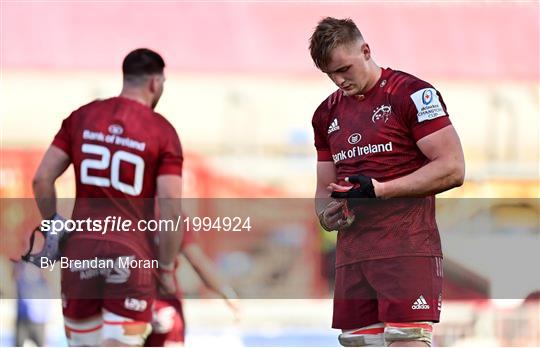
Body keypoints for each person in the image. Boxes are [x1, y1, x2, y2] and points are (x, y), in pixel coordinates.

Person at [309, 17, 465, 347]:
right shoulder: (325, 114)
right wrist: (325, 213)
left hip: (406, 248)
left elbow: (453, 168)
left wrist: (380, 191)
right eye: (330, 74)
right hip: (354, 255)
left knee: (405, 339)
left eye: (344, 69)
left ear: (366, 50)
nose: (339, 80)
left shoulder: (411, 94)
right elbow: (323, 189)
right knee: (356, 341)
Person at [31, 48, 183, 346]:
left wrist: (53, 225)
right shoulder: (162, 131)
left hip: (80, 253)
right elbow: (171, 210)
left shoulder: (83, 116)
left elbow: (42, 179)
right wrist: (165, 269)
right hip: (131, 255)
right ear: (155, 82)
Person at [145, 221, 240, 347]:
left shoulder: (117, 213)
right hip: (164, 305)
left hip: (123, 306)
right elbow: (196, 260)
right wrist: (227, 294)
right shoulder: (167, 213)